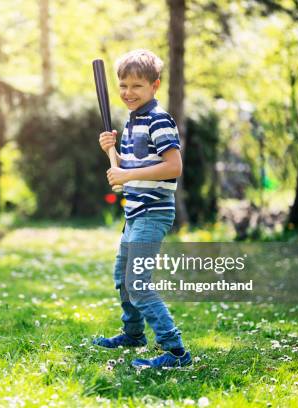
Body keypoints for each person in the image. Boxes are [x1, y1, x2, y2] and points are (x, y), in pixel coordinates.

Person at [95, 49, 191, 368]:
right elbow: (132, 165)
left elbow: (172, 166)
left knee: (137, 282)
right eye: (123, 85)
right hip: (134, 214)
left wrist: (127, 173)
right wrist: (112, 152)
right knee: (123, 278)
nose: (128, 93)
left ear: (155, 85)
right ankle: (133, 334)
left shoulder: (159, 119)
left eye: (137, 86)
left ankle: (175, 351)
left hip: (153, 212)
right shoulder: (133, 120)